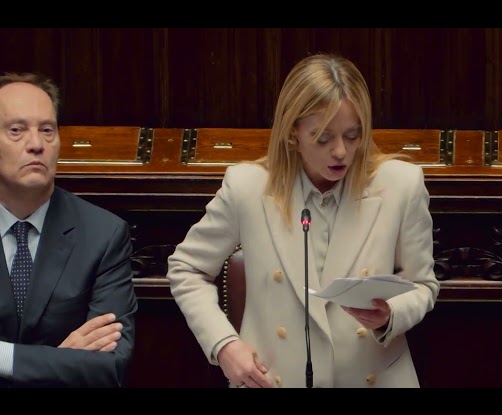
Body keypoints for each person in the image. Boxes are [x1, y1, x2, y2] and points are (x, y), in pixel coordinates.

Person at [167, 53, 440, 388]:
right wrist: (224, 345)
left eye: (352, 135)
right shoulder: (248, 188)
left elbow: (423, 285)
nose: (340, 151)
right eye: (323, 137)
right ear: (292, 132)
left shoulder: (401, 185)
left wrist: (391, 315)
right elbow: (187, 269)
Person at [0, 72, 137, 387]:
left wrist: (6, 358)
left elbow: (110, 366)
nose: (37, 144)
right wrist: (60, 360)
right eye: (16, 130)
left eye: (47, 130)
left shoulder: (103, 234)